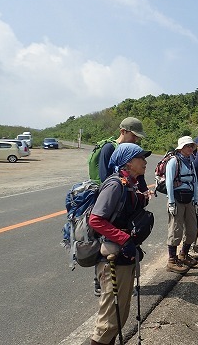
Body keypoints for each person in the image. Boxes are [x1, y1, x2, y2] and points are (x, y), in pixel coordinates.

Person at [88, 143, 151, 345]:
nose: (145, 161)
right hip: (112, 258)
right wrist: (124, 240)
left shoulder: (129, 183)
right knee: (108, 322)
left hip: (124, 256)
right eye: (141, 158)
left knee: (119, 316)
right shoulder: (115, 184)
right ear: (129, 162)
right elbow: (96, 220)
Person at [93, 116, 150, 296]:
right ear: (123, 131)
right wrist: (121, 188)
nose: (136, 139)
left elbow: (139, 180)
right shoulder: (110, 151)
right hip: (112, 204)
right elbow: (105, 179)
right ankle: (100, 281)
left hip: (124, 198)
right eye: (134, 136)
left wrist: (139, 194)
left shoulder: (130, 175)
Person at [165, 136, 198, 274]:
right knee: (175, 229)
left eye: (192, 146)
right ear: (181, 148)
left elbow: (195, 181)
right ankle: (172, 260)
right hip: (177, 200)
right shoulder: (174, 161)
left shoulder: (190, 162)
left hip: (189, 199)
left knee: (192, 229)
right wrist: (171, 202)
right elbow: (169, 183)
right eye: (188, 146)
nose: (190, 148)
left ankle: (183, 254)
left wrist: (196, 199)